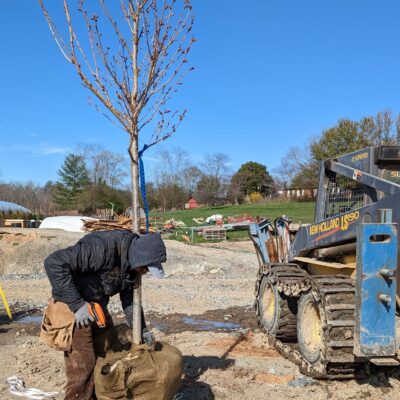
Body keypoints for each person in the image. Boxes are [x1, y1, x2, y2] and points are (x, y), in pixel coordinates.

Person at [44, 230, 166, 400]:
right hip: (73, 307)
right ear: (140, 257)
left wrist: (142, 329)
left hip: (96, 306)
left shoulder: (131, 265)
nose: (145, 272)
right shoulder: (100, 249)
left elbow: (130, 302)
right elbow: (54, 262)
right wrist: (77, 305)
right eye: (145, 268)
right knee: (83, 365)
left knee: (107, 352)